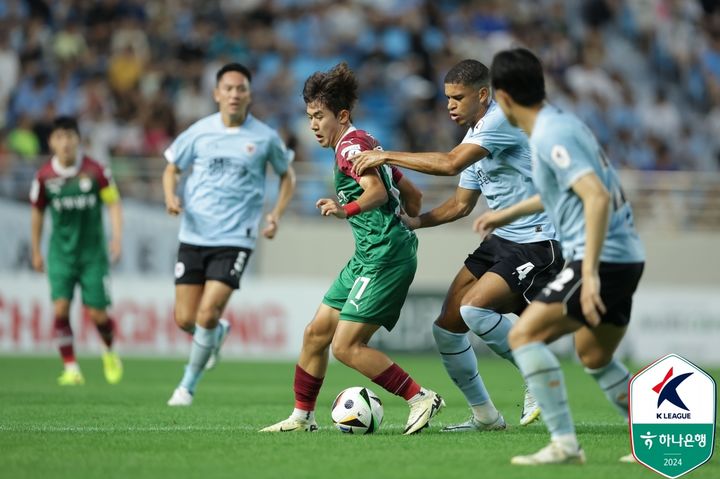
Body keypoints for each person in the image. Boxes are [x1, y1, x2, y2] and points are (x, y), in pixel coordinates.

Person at [351, 59, 563, 431]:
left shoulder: (499, 123)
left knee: (474, 310)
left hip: (537, 241)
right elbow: (461, 205)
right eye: (447, 97)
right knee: (446, 329)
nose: (449, 105)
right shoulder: (474, 136)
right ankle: (485, 416)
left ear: (483, 94)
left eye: (457, 97)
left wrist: (386, 154)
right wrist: (416, 222)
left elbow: (449, 165)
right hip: (501, 241)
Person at [476, 47, 645, 465]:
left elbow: (596, 196)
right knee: (594, 356)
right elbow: (563, 189)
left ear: (503, 97)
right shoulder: (561, 125)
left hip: (601, 258)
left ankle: (565, 444)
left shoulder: (552, 135)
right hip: (624, 256)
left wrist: (587, 274)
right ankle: (665, 435)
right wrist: (508, 212)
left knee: (522, 335)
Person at [260, 62, 444, 435]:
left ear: (341, 116)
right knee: (316, 333)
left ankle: (420, 397)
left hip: (383, 256)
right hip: (368, 255)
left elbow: (375, 192)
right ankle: (301, 417)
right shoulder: (365, 142)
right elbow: (413, 193)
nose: (313, 124)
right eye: (309, 116)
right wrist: (407, 218)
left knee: (345, 346)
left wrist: (346, 210)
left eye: (319, 116)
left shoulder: (349, 148)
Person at [162, 63, 296, 406]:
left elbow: (287, 175)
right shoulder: (199, 132)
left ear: (249, 95)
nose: (235, 94)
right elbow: (172, 167)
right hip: (194, 235)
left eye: (241, 89)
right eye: (229, 88)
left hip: (236, 237)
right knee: (184, 320)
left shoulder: (264, 137)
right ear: (216, 94)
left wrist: (275, 215)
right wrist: (170, 196)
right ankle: (215, 335)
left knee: (206, 314)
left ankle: (186, 386)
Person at [30, 115, 123, 386]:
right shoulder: (44, 177)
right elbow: (36, 214)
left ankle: (109, 350)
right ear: (51, 142)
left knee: (98, 315)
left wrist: (116, 237)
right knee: (60, 309)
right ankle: (71, 368)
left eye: (70, 136)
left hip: (93, 255)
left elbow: (113, 204)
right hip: (61, 255)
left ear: (78, 140)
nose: (65, 143)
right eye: (59, 137)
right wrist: (36, 250)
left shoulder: (96, 171)